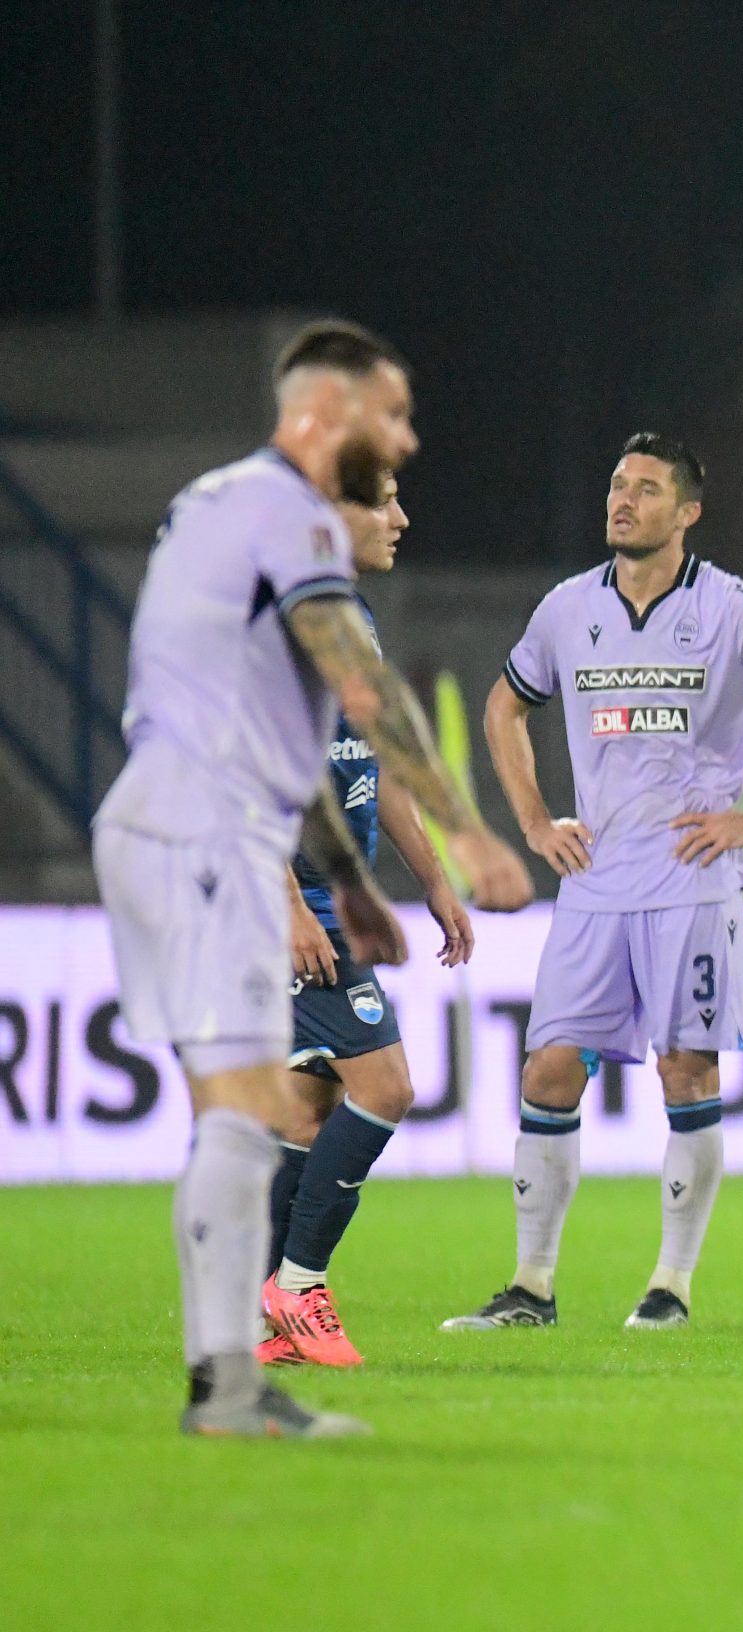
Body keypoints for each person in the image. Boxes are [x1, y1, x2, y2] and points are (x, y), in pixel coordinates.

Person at [93, 320, 531, 1438]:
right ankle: (238, 1371)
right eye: (392, 415)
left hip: (189, 825)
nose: (407, 441)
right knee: (256, 1114)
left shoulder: (227, 508)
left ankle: (232, 1378)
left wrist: (356, 882)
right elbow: (364, 702)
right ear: (327, 416)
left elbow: (297, 751)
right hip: (203, 834)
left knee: (255, 1120)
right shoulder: (280, 513)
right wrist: (471, 834)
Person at [443, 435, 743, 1333]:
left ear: (688, 512)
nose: (623, 501)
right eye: (617, 485)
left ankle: (670, 1287)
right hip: (593, 884)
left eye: (647, 489)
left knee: (686, 1070)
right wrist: (534, 822)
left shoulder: (735, 611)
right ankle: (531, 1288)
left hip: (691, 883)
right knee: (549, 1069)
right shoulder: (566, 609)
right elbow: (505, 707)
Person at [258, 471, 476, 1368]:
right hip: (284, 894)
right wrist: (289, 907)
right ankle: (299, 1287)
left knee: (307, 1112)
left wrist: (435, 880)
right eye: (382, 499)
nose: (401, 516)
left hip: (329, 895)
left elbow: (373, 767)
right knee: (386, 1088)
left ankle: (262, 1324)